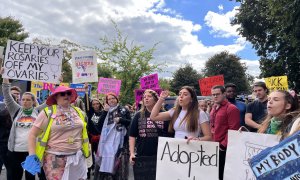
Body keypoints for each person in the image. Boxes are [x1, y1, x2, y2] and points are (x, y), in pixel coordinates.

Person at [27, 86, 90, 179]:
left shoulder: (78, 111)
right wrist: (32, 156)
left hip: (77, 157)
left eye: (68, 93)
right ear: (56, 97)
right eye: (62, 94)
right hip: (55, 159)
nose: (66, 96)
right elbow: (32, 134)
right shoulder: (47, 112)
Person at [1, 68, 47, 180]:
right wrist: (5, 76)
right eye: (23, 99)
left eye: (28, 100)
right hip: (15, 151)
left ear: (33, 101)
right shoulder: (16, 110)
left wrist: (56, 83)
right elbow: (7, 94)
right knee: (14, 176)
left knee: (30, 177)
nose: (25, 101)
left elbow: (51, 101)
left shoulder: (38, 111)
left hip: (31, 152)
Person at [129, 89, 171, 179]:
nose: (146, 99)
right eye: (144, 97)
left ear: (156, 99)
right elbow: (132, 136)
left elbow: (170, 135)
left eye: (149, 96)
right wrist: (132, 153)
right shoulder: (138, 115)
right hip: (142, 155)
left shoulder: (164, 114)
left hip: (160, 156)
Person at [94, 92, 132, 180]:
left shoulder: (123, 110)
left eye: (113, 98)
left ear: (117, 99)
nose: (111, 100)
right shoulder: (105, 110)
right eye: (109, 99)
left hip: (120, 144)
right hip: (106, 144)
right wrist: (104, 112)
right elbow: (99, 126)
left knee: (119, 168)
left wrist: (121, 120)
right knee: (105, 168)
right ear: (107, 101)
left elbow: (130, 122)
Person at [210, 85, 240, 180]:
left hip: (224, 149)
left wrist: (223, 145)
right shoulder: (214, 107)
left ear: (224, 94)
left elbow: (233, 129)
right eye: (213, 94)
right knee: (214, 173)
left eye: (217, 94)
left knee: (223, 174)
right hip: (213, 146)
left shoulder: (232, 108)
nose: (215, 96)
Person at [0, 102, 12, 180]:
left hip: (10, 145)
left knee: (11, 169)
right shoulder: (3, 113)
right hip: (3, 144)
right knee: (10, 169)